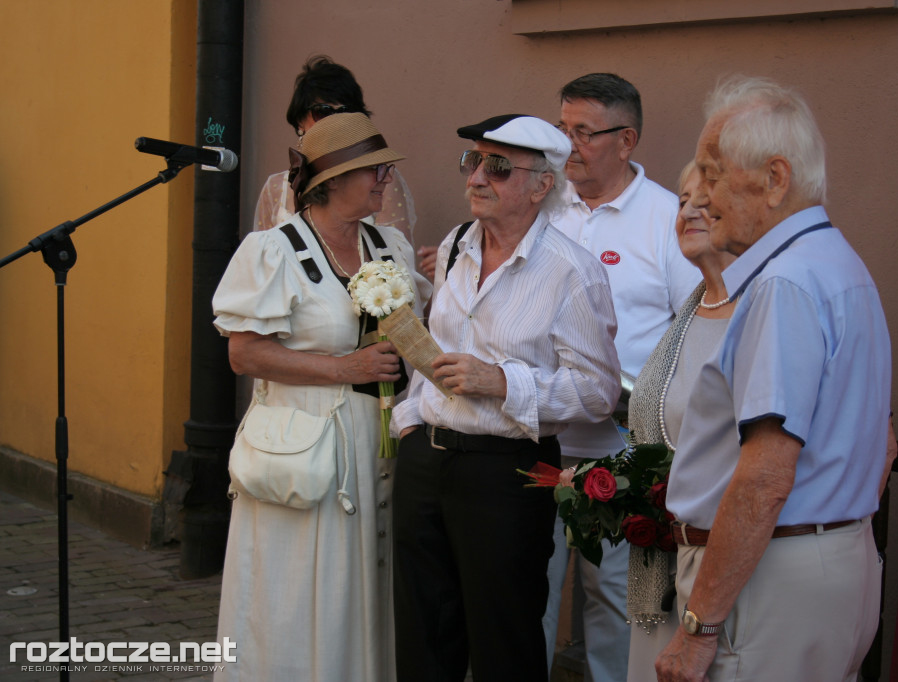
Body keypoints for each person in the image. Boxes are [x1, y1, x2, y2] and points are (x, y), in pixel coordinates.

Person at [655, 75, 891, 682]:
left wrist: (699, 629)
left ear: (775, 178)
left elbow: (763, 477)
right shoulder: (839, 263)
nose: (699, 196)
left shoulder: (783, 283)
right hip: (832, 557)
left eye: (713, 173)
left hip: (772, 579)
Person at [391, 114, 621, 682]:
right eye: (472, 162)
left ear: (542, 185)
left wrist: (505, 382)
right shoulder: (453, 247)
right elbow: (435, 346)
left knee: (505, 642)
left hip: (507, 473)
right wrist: (410, 425)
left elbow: (599, 392)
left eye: (497, 167)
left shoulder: (572, 272)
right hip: (428, 461)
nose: (476, 178)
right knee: (423, 637)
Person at [212, 113, 430, 682]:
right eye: (374, 170)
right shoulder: (273, 251)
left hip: (376, 444)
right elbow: (245, 354)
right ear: (331, 181)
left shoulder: (389, 245)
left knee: (366, 582)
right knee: (296, 587)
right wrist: (345, 367)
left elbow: (413, 338)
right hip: (303, 452)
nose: (386, 178)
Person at [543, 72, 701, 682]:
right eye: (562, 129)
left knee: (615, 608)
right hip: (537, 442)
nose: (568, 145)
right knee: (528, 593)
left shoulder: (668, 219)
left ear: (626, 139)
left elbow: (692, 335)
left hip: (622, 458)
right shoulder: (542, 207)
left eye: (583, 132)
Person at [621, 161, 736, 682]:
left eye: (704, 198)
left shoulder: (758, 311)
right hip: (662, 561)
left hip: (722, 567)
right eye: (683, 197)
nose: (686, 209)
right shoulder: (690, 311)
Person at [253, 55, 417, 245]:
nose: (335, 121)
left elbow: (394, 265)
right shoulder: (275, 188)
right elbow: (263, 261)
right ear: (300, 121)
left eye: (345, 112)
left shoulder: (380, 178)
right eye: (323, 112)